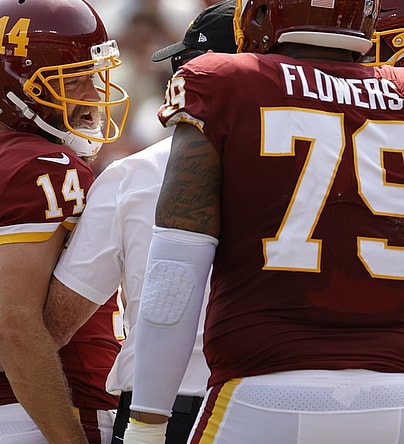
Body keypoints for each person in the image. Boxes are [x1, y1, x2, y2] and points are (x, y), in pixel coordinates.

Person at [126, 0, 404, 443]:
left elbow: (174, 272)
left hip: (261, 391)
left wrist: (147, 421)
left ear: (258, 13)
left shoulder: (223, 81)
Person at [0, 0, 129, 442]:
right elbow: (17, 327)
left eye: (93, 76)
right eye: (74, 81)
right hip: (55, 408)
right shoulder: (47, 168)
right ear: (16, 89)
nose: (94, 93)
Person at [45, 3, 237, 444]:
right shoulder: (321, 160)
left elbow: (57, 322)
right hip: (264, 398)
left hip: (161, 407)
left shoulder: (131, 176)